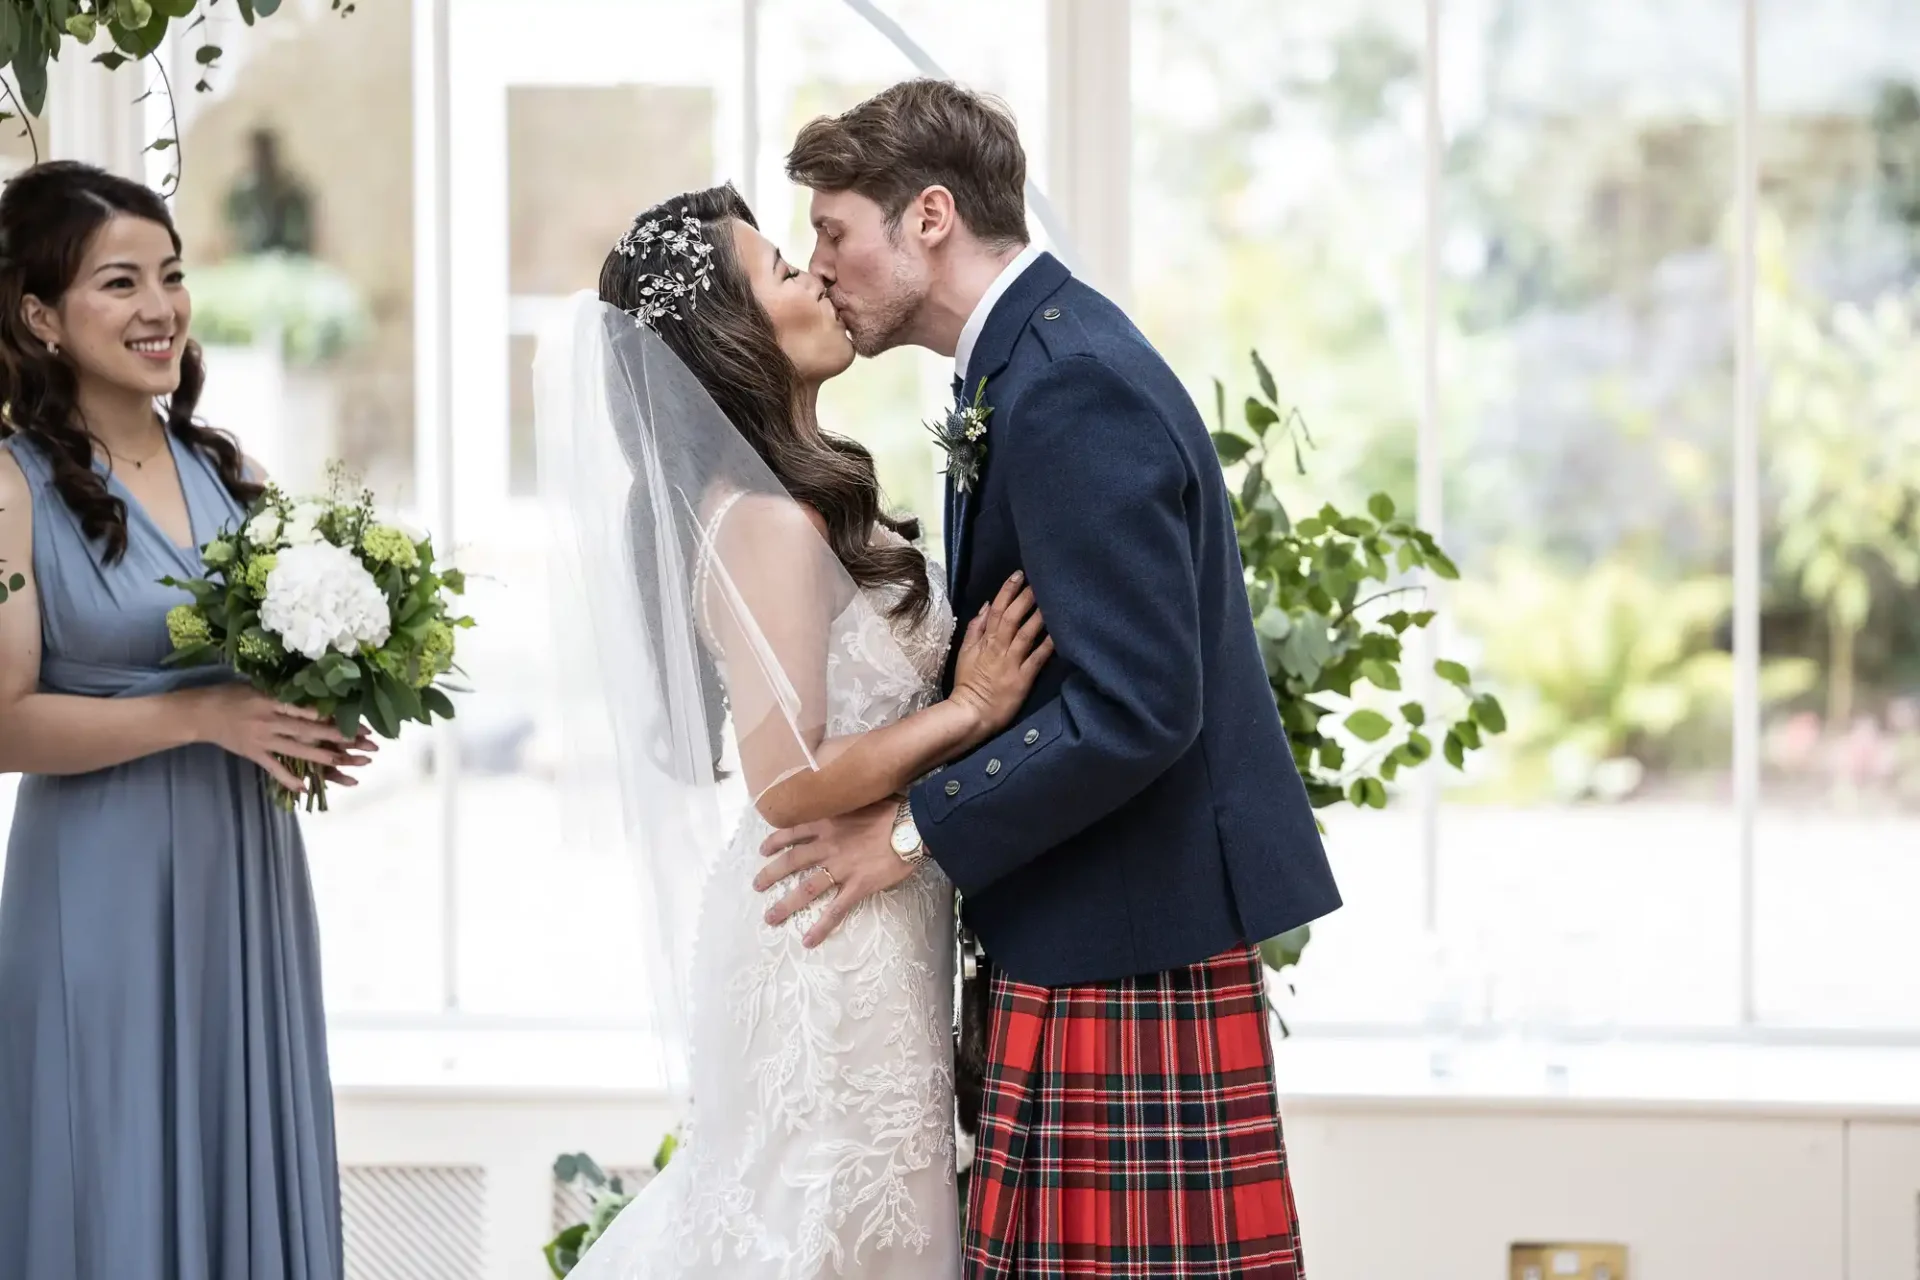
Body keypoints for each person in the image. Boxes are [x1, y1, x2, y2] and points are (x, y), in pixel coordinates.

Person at [753, 79, 1344, 1278]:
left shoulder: (1065, 379)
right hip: (1091, 923)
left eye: (832, 231)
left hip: (1125, 938)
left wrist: (912, 832)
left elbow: (1138, 707)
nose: (820, 268)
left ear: (928, 217)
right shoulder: (1023, 362)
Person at [539, 184, 1050, 1279]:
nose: (818, 274)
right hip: (824, 928)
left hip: (872, 906)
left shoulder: (790, 496)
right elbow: (787, 776)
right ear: (731, 340)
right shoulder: (763, 519)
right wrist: (969, 708)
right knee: (820, 1227)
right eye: (784, 268)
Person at [0, 161, 369, 1280]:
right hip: (101, 887)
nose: (159, 307)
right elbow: (2, 723)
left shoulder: (231, 471)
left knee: (234, 1142)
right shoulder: (11, 485)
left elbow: (278, 664)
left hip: (242, 867)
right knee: (110, 1162)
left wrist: (311, 717)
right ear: (38, 315)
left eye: (170, 275)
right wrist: (203, 712)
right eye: (120, 282)